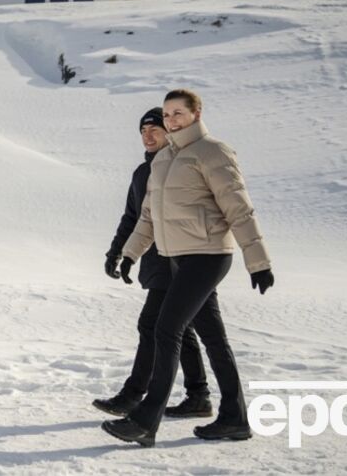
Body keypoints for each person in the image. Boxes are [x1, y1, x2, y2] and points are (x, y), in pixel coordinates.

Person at [102, 89, 275, 447]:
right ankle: (234, 418)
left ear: (196, 114)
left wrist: (257, 261)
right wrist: (130, 254)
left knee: (166, 329)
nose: (171, 120)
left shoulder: (213, 152)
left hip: (209, 255)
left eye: (178, 113)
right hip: (177, 257)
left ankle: (146, 421)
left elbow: (238, 208)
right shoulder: (163, 159)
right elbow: (148, 216)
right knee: (213, 338)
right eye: (167, 115)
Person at [94, 108, 212, 419]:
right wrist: (116, 252)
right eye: (143, 131)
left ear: (170, 131)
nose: (148, 135)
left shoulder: (179, 167)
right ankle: (198, 396)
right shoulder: (141, 173)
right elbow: (133, 217)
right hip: (155, 259)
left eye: (154, 129)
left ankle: (134, 395)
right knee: (180, 329)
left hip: (180, 257)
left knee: (152, 325)